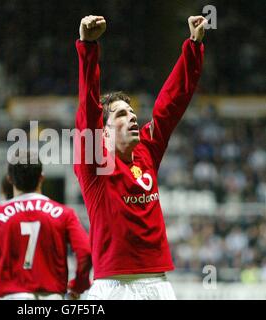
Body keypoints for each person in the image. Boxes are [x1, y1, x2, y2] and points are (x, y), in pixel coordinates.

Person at [74, 15, 207, 299]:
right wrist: (88, 47)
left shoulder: (147, 150)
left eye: (133, 114)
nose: (133, 118)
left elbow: (170, 104)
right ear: (104, 132)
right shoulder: (96, 165)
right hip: (112, 288)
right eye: (122, 114)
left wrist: (193, 46)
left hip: (158, 285)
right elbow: (87, 111)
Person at [0, 150, 92, 299]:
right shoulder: (64, 214)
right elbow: (85, 252)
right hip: (51, 296)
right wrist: (79, 285)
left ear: (10, 179)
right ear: (42, 177)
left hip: (13, 295)